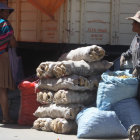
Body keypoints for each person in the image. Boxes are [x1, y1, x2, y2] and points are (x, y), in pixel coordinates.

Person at [120, 11, 140, 140]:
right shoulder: (136, 38)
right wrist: (124, 55)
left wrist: (138, 68)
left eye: (134, 22)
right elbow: (131, 51)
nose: (132, 24)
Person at [0, 3, 17, 124]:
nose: (7, 14)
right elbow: (12, 43)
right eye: (6, 12)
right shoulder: (5, 24)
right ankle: (6, 117)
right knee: (3, 89)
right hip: (2, 56)